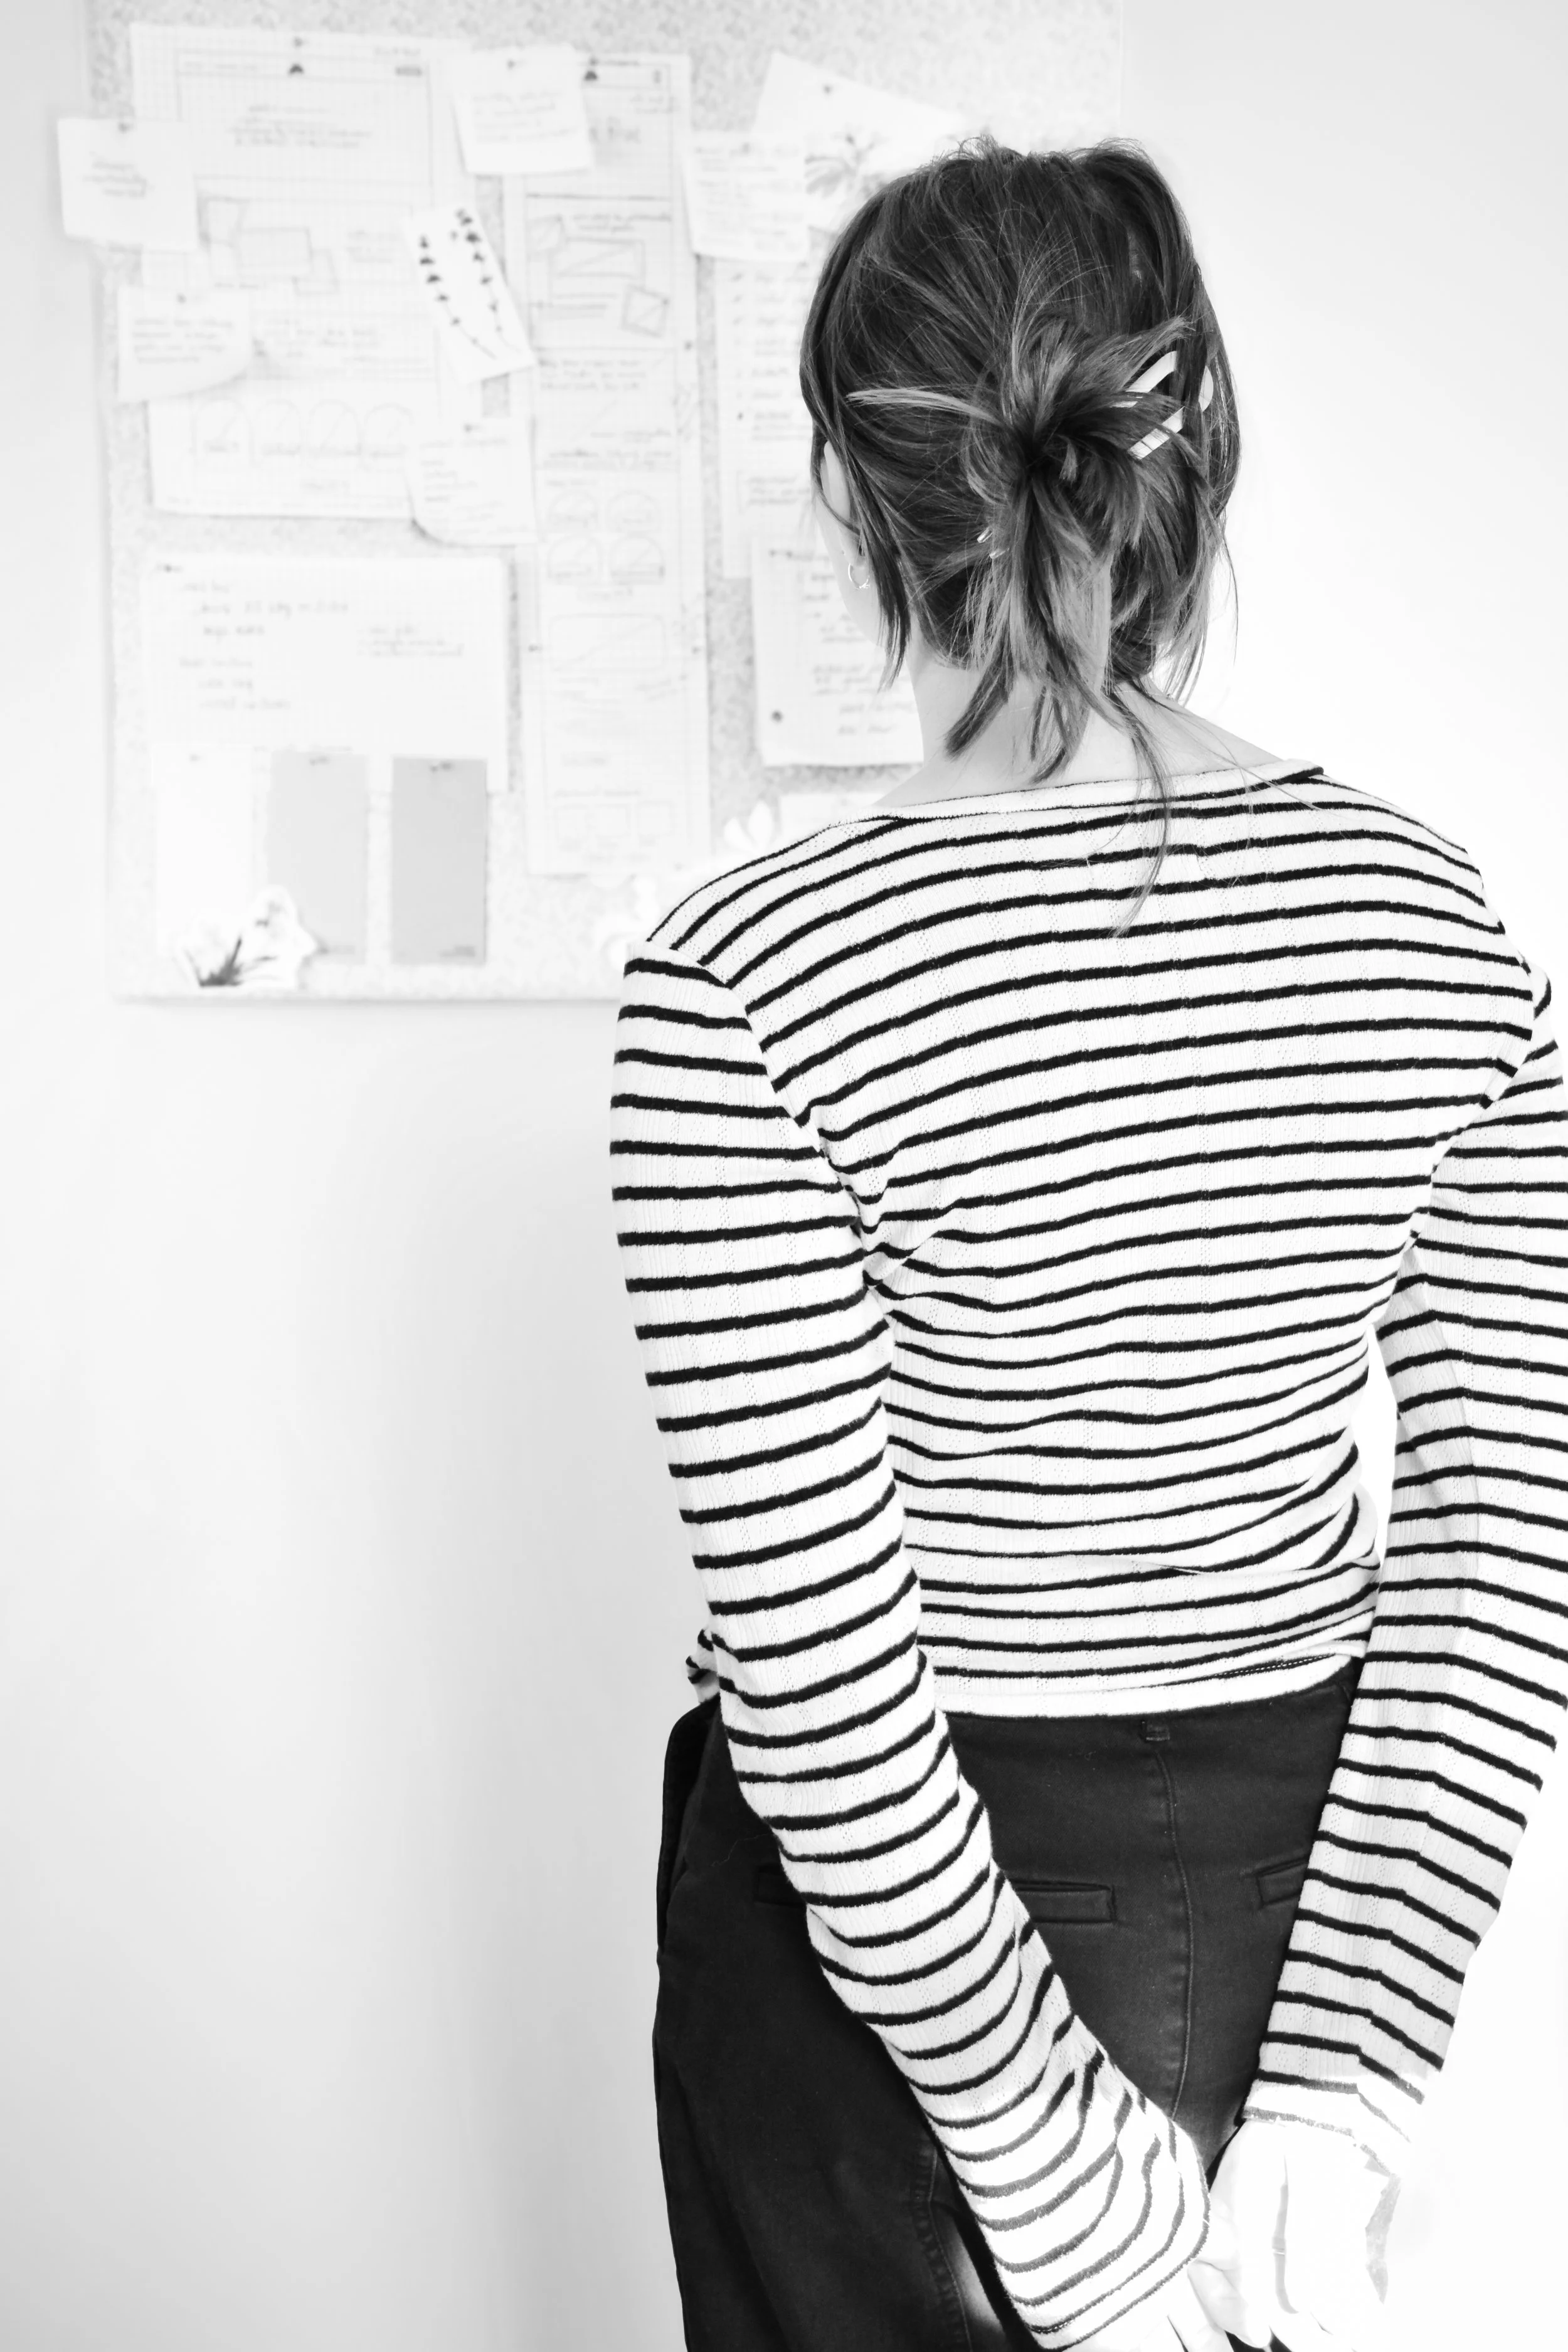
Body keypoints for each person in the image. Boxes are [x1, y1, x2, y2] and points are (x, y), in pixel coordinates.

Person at [610, 137, 1568, 2351]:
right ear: (1187, 454)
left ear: (859, 497)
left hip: (888, 1961)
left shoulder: (743, 962)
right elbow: (1506, 1542)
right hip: (1284, 1870)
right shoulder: (1435, 917)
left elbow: (826, 1679)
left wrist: (1049, 2172)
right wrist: (1337, 2085)